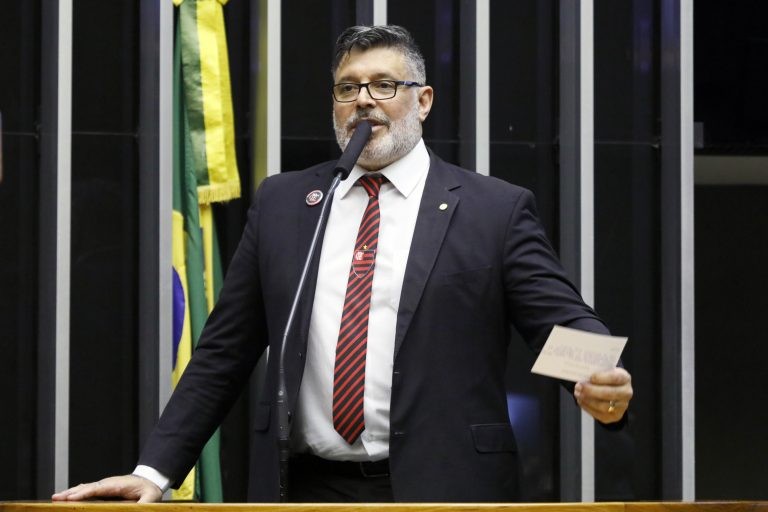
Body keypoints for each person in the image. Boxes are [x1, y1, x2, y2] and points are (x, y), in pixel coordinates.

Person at [53, 25, 633, 503]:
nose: (363, 100)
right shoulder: (286, 203)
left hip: (446, 488)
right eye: (347, 88)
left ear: (423, 101)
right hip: (302, 488)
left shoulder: (492, 210)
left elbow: (559, 320)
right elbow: (223, 353)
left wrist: (598, 371)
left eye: (385, 85)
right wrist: (154, 472)